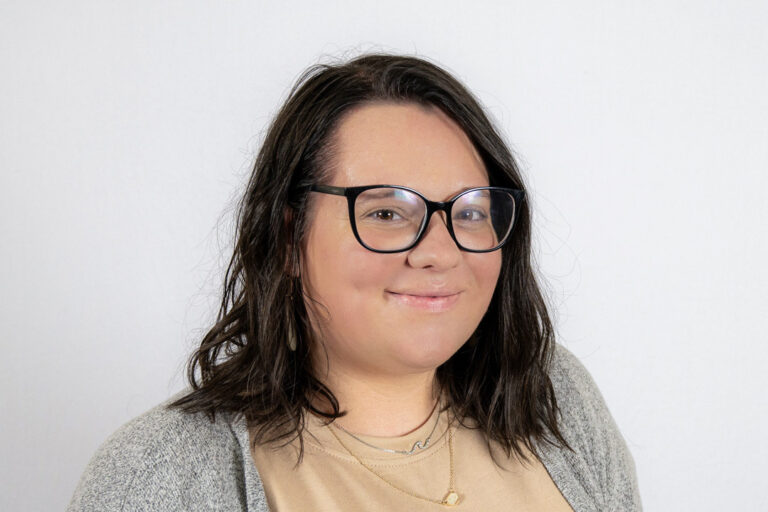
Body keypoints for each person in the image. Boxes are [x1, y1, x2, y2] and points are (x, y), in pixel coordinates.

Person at [67, 54, 642, 511]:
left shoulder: (553, 395)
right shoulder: (161, 473)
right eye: (386, 213)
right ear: (290, 238)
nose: (439, 252)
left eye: (469, 211)